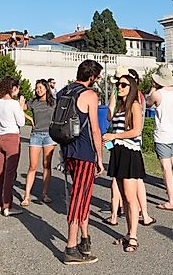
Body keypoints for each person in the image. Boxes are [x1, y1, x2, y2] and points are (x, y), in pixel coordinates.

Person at [60, 59, 104, 265]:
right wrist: (100, 157)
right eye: (98, 76)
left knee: (81, 194)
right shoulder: (90, 95)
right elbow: (95, 129)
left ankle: (84, 238)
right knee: (79, 197)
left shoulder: (64, 91)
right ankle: (70, 247)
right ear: (92, 77)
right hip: (85, 151)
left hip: (67, 148)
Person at [102, 73, 145, 252]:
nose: (120, 87)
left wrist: (115, 135)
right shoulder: (120, 106)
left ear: (132, 87)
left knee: (129, 196)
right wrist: (109, 141)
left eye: (123, 85)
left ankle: (133, 236)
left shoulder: (134, 105)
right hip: (118, 151)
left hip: (130, 153)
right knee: (124, 199)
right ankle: (129, 232)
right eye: (118, 84)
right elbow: (109, 119)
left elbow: (136, 130)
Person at [147, 65, 173, 210]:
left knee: (166, 167)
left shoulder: (157, 94)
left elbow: (148, 103)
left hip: (163, 134)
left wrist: (153, 87)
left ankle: (171, 200)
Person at [0, 77, 26, 216]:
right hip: (12, 138)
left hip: (0, 138)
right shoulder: (14, 104)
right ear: (13, 88)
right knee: (9, 174)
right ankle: (7, 206)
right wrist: (21, 106)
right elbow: (22, 122)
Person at [22, 79, 57, 206]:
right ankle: (26, 195)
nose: (38, 90)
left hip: (49, 135)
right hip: (36, 135)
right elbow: (21, 108)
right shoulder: (33, 102)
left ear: (46, 88)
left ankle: (44, 194)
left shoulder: (53, 102)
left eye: (40, 87)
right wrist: (29, 118)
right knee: (32, 166)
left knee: (46, 165)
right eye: (37, 88)